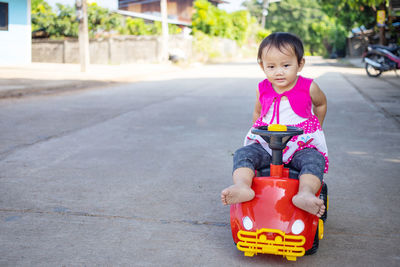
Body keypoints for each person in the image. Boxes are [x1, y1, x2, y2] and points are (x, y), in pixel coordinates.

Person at [221, 32, 328, 218]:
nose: (279, 72)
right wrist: (257, 132)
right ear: (262, 66)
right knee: (243, 154)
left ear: (300, 64)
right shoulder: (262, 87)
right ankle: (242, 186)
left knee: (313, 160)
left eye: (286, 65)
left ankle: (305, 193)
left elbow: (321, 104)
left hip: (300, 144)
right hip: (267, 144)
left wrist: (316, 126)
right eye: (271, 66)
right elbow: (258, 111)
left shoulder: (308, 87)